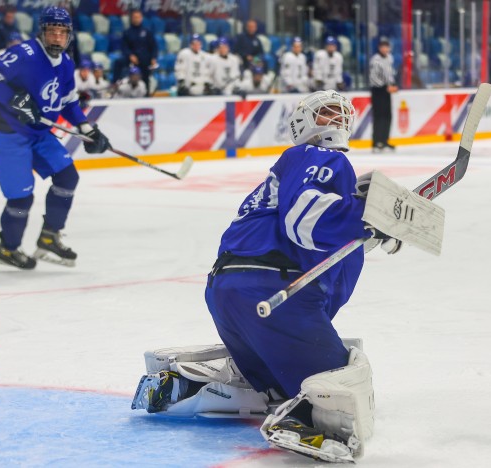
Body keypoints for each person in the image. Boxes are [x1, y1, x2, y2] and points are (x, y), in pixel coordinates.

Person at [131, 90, 401, 462]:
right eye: (325, 114)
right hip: (276, 294)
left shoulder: (276, 181)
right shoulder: (319, 156)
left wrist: (369, 226)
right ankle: (305, 420)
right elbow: (305, 220)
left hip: (227, 295)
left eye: (341, 115)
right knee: (347, 374)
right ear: (302, 124)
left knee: (271, 386)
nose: (336, 121)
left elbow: (318, 240)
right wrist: (364, 217)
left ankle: (187, 385)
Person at [0, 6, 111, 270]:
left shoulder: (67, 63)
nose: (57, 37)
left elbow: (68, 101)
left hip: (36, 133)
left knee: (67, 176)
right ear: (42, 32)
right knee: (22, 198)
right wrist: (14, 98)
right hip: (6, 134)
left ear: (69, 35)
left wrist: (85, 127)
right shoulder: (24, 54)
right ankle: (8, 248)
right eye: (52, 31)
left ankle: (49, 236)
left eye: (62, 32)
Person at [369, 38, 398, 152]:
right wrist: (386, 87)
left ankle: (385, 140)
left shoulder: (390, 58)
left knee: (387, 115)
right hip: (378, 91)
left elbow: (390, 74)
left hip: (386, 91)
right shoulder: (375, 60)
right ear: (379, 48)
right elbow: (374, 78)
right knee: (379, 116)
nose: (385, 49)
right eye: (383, 46)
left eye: (387, 46)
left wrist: (393, 84)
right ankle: (377, 142)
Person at [121, 9, 157, 96]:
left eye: (138, 17)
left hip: (145, 61)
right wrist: (130, 55)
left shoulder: (147, 32)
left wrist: (153, 58)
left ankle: (146, 98)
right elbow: (124, 47)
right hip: (133, 62)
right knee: (131, 82)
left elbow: (154, 46)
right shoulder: (127, 32)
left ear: (141, 18)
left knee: (146, 81)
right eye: (135, 17)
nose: (136, 19)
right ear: (132, 18)